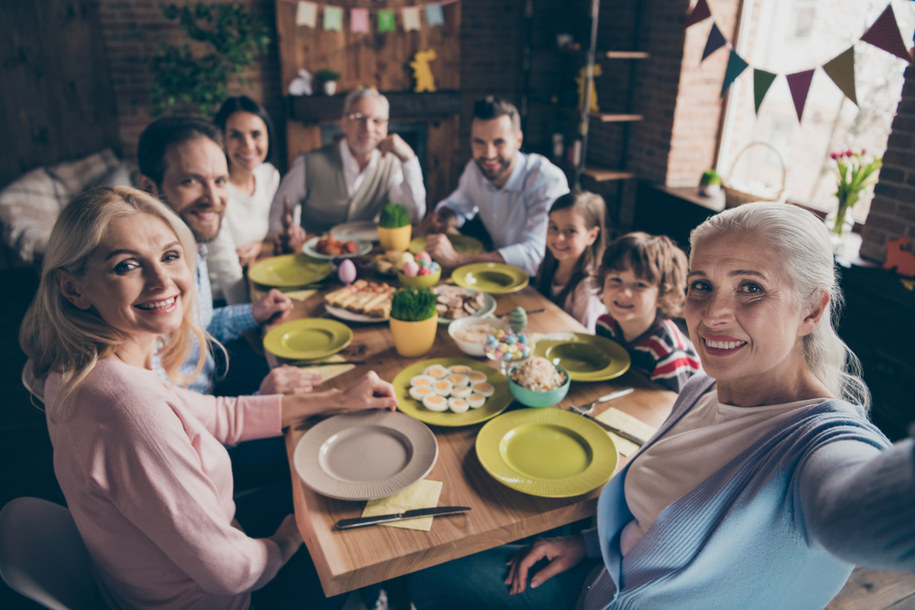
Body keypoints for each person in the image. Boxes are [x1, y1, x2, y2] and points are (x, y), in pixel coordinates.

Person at [406, 202, 915, 609]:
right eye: (702, 286)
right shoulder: (699, 388)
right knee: (422, 569)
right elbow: (648, 510)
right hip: (594, 573)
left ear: (812, 309)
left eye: (750, 289)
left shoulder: (816, 443)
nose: (714, 314)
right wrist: (587, 544)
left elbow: (853, 509)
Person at [18, 186, 398, 609]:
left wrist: (340, 400)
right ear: (73, 288)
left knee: (325, 494)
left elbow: (222, 415)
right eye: (126, 266)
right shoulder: (128, 409)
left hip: (141, 583)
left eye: (169, 255)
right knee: (363, 526)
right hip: (221, 599)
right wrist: (287, 540)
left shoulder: (83, 367)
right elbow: (229, 572)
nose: (163, 280)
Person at [137, 115, 315, 396]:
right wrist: (261, 400)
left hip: (213, 386)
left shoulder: (192, 246)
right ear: (149, 188)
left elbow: (199, 325)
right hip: (200, 426)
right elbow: (168, 416)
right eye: (191, 181)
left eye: (220, 181)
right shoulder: (147, 281)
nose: (213, 198)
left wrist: (254, 312)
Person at [421, 96, 569, 276]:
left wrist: (458, 260)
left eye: (498, 142)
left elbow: (535, 255)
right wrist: (445, 216)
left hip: (544, 282)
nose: (488, 154)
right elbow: (457, 205)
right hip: (501, 273)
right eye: (479, 142)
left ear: (518, 140)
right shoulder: (475, 169)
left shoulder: (546, 179)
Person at [269, 87, 426, 240]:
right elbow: (278, 209)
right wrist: (286, 232)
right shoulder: (309, 163)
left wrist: (409, 159)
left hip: (367, 256)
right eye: (359, 118)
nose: (368, 128)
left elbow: (413, 215)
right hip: (315, 257)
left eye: (377, 120)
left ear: (385, 127)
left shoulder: (393, 165)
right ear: (344, 124)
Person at [594, 232, 700, 392]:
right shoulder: (605, 324)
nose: (624, 293)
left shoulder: (666, 351)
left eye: (639, 285)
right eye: (616, 280)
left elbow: (671, 405)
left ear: (662, 295)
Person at [213, 95, 280, 270]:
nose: (248, 145)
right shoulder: (214, 191)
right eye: (235, 135)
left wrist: (260, 247)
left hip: (260, 270)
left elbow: (277, 237)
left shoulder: (269, 176)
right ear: (221, 140)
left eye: (256, 134)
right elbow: (225, 267)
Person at [533, 191, 607, 332]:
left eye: (570, 231)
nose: (559, 238)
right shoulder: (548, 264)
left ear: (592, 236)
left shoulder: (587, 289)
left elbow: (586, 339)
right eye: (554, 227)